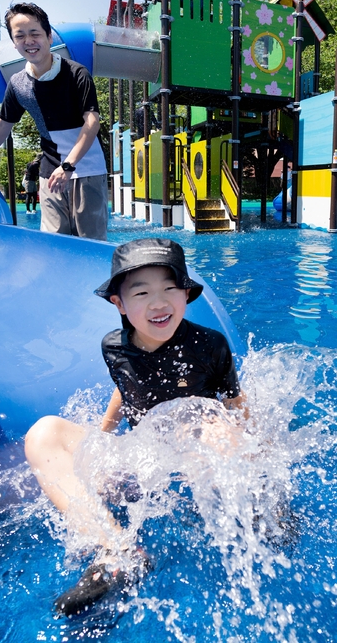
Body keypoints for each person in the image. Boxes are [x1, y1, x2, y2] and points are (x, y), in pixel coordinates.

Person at [24, 238, 246, 615]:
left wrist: (252, 456)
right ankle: (116, 548)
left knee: (221, 431)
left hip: (193, 458)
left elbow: (236, 406)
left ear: (186, 296)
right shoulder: (113, 346)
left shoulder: (209, 346)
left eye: (169, 290)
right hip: (143, 457)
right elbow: (125, 387)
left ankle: (249, 510)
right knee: (43, 432)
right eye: (141, 292)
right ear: (120, 304)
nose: (158, 304)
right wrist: (102, 435)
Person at [0, 3, 108, 239]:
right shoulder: (18, 83)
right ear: (14, 42)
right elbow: (3, 123)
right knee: (54, 241)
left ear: (49, 36)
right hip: (50, 170)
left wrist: (68, 165)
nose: (29, 41)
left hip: (87, 168)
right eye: (20, 36)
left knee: (91, 243)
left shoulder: (76, 74)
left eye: (35, 33)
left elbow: (92, 122)